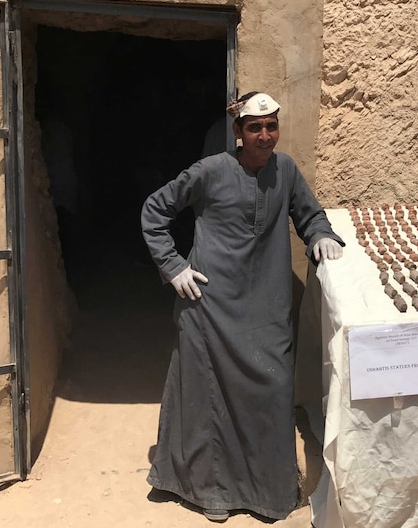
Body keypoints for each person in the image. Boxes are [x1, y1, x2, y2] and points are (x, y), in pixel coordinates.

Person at [141, 91, 344, 523]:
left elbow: (309, 214)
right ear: (238, 132)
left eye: (272, 126)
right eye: (255, 127)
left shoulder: (286, 169)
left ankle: (268, 494)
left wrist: (320, 235)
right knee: (206, 401)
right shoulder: (211, 170)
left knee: (271, 393)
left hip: (267, 309)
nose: (265, 135)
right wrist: (174, 267)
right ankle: (209, 493)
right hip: (208, 307)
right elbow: (155, 210)